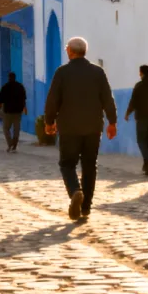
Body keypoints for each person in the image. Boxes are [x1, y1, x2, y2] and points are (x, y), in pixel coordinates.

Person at [44, 37, 116, 222]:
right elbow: (107, 98)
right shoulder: (97, 72)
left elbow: (53, 100)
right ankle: (86, 207)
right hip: (93, 127)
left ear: (69, 51)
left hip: (69, 128)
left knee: (67, 164)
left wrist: (49, 121)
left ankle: (76, 191)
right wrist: (112, 122)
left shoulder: (62, 73)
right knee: (90, 165)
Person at [0, 72, 28, 153]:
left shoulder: (5, 87)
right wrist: (24, 108)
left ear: (9, 78)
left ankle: (10, 143)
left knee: (6, 128)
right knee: (16, 129)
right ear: (15, 77)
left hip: (7, 112)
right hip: (18, 112)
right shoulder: (20, 87)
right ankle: (14, 145)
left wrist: (0, 109)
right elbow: (24, 99)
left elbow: (0, 100)